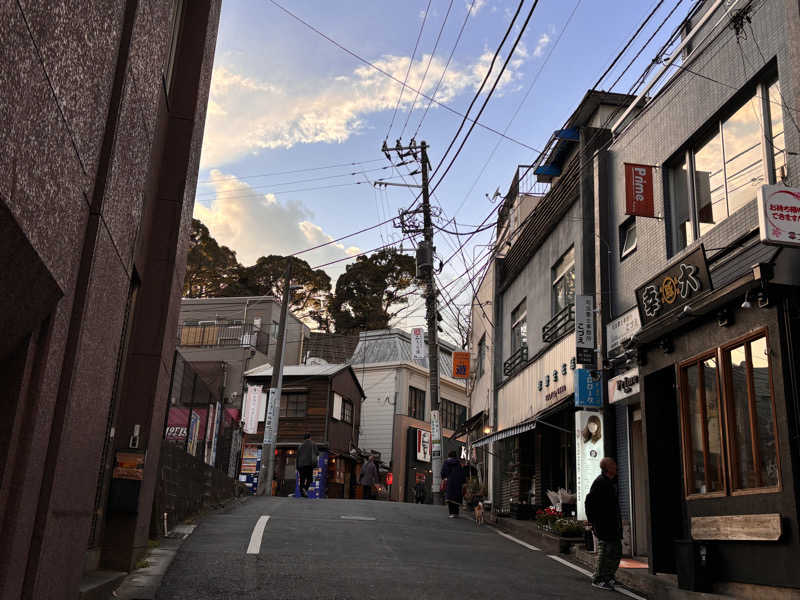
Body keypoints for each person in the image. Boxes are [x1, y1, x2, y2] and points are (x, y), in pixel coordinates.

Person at [585, 457, 622, 591]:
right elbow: (589, 501)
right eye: (613, 464)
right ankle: (598, 578)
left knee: (616, 551)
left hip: (613, 524)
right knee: (605, 551)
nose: (616, 466)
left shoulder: (611, 482)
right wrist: (592, 521)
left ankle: (609, 576)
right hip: (603, 524)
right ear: (607, 468)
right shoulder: (600, 482)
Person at [440, 450, 466, 518]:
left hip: (450, 482)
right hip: (457, 483)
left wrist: (444, 477)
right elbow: (462, 473)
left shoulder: (446, 462)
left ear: (449, 456)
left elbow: (443, 472)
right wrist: (463, 482)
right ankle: (456, 513)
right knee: (456, 498)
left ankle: (451, 513)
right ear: (455, 456)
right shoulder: (458, 463)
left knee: (450, 498)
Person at [296, 432, 318, 498]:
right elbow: (317, 453)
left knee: (302, 479)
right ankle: (305, 489)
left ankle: (302, 492)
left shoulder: (300, 445)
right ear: (310, 437)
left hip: (301, 465)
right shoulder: (313, 444)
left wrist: (297, 466)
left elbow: (297, 456)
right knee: (309, 479)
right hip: (309, 464)